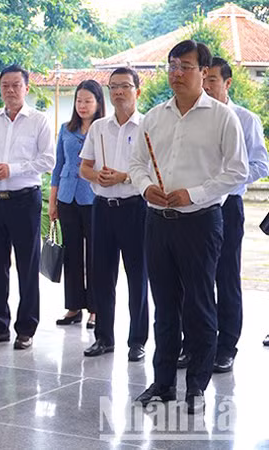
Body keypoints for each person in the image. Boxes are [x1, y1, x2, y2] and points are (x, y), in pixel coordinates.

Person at [131, 40, 248, 414]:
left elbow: (237, 170)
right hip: (157, 222)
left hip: (200, 222)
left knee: (199, 305)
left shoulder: (221, 116)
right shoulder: (154, 116)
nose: (176, 73)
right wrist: (145, 186)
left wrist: (194, 194)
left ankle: (197, 385)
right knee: (164, 306)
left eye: (185, 66)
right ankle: (163, 383)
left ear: (203, 72)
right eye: (171, 65)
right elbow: (137, 164)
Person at [175, 57, 269, 373]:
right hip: (192, 207)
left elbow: (260, 165)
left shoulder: (245, 119)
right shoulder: (189, 116)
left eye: (212, 79)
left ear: (228, 83)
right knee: (192, 280)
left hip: (226, 206)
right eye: (202, 78)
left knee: (225, 277)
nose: (206, 84)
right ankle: (193, 345)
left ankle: (226, 346)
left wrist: (225, 179)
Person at [0, 64, 55, 350]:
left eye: (15, 85)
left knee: (27, 264)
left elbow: (48, 160)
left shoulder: (39, 121)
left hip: (25, 199)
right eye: (5, 85)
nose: (9, 90)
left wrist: (13, 169)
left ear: (26, 88)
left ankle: (26, 328)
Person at [78, 68, 149, 362]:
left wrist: (123, 177)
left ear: (137, 91)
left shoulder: (148, 126)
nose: (119, 92)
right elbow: (84, 168)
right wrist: (98, 175)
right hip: (103, 209)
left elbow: (154, 172)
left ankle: (137, 341)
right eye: (114, 87)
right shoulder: (99, 128)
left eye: (125, 86)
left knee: (137, 276)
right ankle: (104, 338)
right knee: (102, 276)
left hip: (135, 208)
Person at [49, 80, 105, 329]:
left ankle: (95, 309)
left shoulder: (104, 129)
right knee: (71, 254)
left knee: (95, 255)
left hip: (93, 198)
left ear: (98, 103)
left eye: (88, 101)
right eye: (79, 101)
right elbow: (58, 165)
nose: (82, 106)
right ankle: (73, 307)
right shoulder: (65, 129)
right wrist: (53, 200)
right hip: (67, 197)